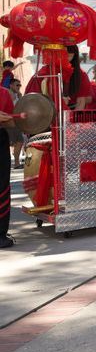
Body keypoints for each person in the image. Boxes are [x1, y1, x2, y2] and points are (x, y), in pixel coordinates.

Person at [26, 45, 91, 110]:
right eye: (64, 55)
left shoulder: (81, 75)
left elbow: (81, 102)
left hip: (71, 111)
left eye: (69, 56)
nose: (66, 58)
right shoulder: (44, 72)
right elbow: (33, 99)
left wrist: (71, 116)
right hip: (46, 111)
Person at [0, 85, 16, 248]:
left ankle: (1, 234)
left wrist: (7, 119)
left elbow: (12, 123)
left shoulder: (4, 93)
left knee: (2, 188)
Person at [7, 79, 25, 169]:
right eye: (17, 85)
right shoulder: (9, 93)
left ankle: (17, 163)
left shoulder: (17, 94)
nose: (18, 87)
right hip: (10, 121)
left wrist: (20, 96)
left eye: (19, 85)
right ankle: (16, 163)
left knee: (18, 141)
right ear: (11, 85)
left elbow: (22, 106)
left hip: (15, 122)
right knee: (18, 141)